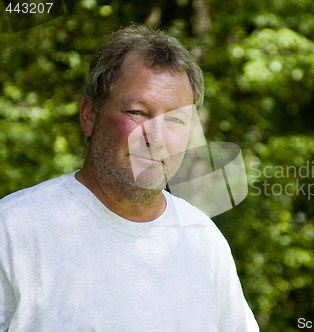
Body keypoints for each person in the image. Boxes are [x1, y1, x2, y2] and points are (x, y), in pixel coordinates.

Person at [0, 25, 259, 331]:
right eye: (137, 112)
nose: (157, 138)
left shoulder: (204, 241)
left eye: (175, 119)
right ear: (90, 115)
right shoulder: (14, 230)